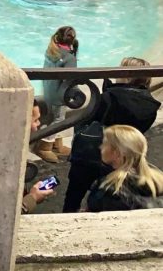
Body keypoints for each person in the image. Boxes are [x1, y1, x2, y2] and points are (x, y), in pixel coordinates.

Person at [63, 57, 161, 213]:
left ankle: (67, 216)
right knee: (112, 190)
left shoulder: (109, 98)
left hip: (94, 152)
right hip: (123, 155)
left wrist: (106, 93)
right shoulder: (151, 106)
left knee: (75, 193)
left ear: (128, 76)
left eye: (120, 69)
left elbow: (87, 121)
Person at [86, 125, 163, 212]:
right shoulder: (158, 178)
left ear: (117, 153)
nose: (100, 147)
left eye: (104, 144)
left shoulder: (111, 190)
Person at [38, 25, 78, 163]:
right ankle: (45, 146)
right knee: (59, 119)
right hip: (60, 95)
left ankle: (57, 145)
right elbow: (70, 80)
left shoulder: (51, 51)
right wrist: (75, 94)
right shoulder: (69, 58)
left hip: (49, 89)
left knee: (57, 116)